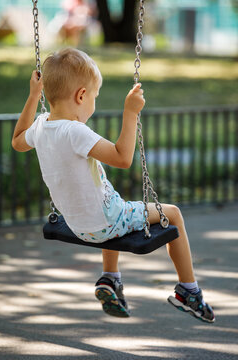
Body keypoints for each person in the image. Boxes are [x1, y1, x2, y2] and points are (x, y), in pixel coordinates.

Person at [12, 48, 215, 323]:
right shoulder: (75, 131)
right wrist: (130, 113)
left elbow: (16, 140)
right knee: (173, 213)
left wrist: (34, 95)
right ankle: (189, 292)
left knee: (112, 205)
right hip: (105, 221)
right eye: (94, 97)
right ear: (81, 95)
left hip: (76, 224)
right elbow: (122, 158)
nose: (93, 103)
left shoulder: (40, 126)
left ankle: (110, 278)